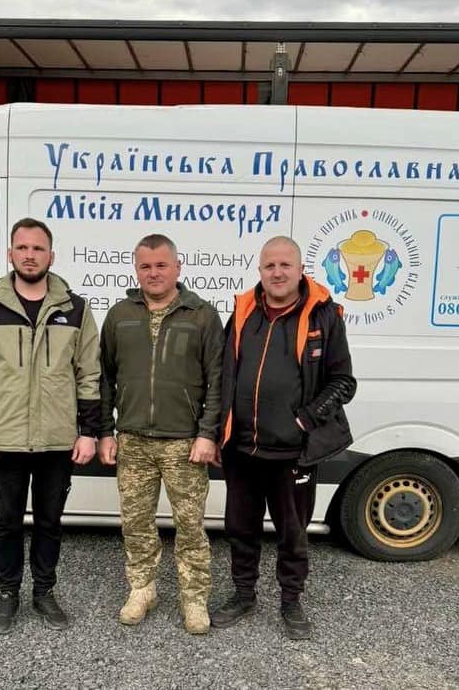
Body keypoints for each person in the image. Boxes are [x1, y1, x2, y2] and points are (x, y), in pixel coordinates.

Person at [0, 218, 101, 634]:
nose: (30, 255)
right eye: (22, 248)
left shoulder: (75, 309)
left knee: (50, 523)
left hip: (58, 440)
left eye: (38, 248)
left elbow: (89, 374)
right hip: (5, 439)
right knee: (7, 523)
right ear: (10, 254)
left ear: (51, 255)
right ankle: (8, 593)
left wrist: (88, 431)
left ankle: (44, 592)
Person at [211, 236, 357, 640]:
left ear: (299, 269)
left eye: (285, 265)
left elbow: (343, 382)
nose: (277, 273)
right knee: (240, 528)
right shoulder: (243, 311)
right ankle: (244, 595)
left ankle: (291, 600)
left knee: (292, 534)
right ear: (260, 270)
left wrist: (304, 421)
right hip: (242, 449)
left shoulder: (323, 316)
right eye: (269, 266)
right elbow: (223, 373)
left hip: (293, 452)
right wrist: (219, 430)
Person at [98, 234, 223, 635]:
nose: (153, 273)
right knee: (135, 523)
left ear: (177, 267)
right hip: (133, 440)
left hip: (185, 442)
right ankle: (142, 589)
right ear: (137, 270)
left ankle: (194, 599)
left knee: (190, 526)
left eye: (161, 265)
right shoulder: (120, 315)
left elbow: (218, 381)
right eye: (145, 266)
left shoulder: (201, 315)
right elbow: (104, 378)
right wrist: (104, 431)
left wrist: (208, 434)